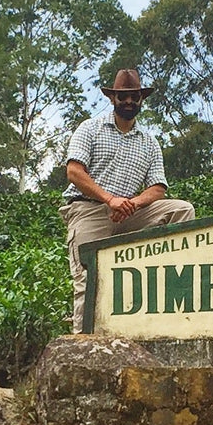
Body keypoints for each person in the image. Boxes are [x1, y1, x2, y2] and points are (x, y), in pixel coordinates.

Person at [60, 68, 195, 332]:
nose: (129, 102)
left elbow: (157, 188)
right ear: (112, 98)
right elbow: (74, 172)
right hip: (89, 211)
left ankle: (165, 285)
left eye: (134, 96)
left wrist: (131, 204)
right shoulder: (90, 128)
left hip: (129, 214)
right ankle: (80, 343)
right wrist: (110, 200)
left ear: (141, 99)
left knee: (182, 210)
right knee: (88, 279)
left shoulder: (149, 142)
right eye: (123, 97)